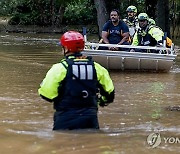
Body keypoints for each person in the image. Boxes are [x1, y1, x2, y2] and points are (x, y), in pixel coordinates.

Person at [38, 31, 115, 130]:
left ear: (66, 48)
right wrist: (100, 101)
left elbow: (46, 95)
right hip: (90, 118)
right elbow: (109, 95)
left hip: (65, 119)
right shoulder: (97, 68)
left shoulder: (59, 68)